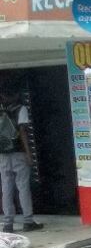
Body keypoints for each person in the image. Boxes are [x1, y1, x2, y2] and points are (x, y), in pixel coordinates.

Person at [0, 85, 42, 233]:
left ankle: (8, 223)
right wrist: (29, 154)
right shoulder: (20, 109)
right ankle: (28, 221)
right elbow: (23, 132)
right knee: (23, 187)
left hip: (3, 155)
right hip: (18, 153)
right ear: (15, 94)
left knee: (6, 188)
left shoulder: (1, 111)